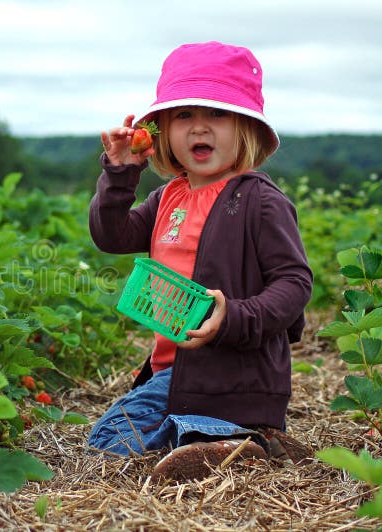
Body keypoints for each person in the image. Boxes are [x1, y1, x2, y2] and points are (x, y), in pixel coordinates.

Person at [86, 41, 314, 482]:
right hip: (175, 369)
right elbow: (111, 236)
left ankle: (221, 438)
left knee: (121, 436)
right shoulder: (169, 196)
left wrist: (235, 314)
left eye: (217, 114)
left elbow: (294, 282)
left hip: (235, 371)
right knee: (108, 439)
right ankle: (242, 440)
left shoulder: (259, 201)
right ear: (163, 130)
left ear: (246, 126)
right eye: (184, 116)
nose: (199, 128)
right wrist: (119, 174)